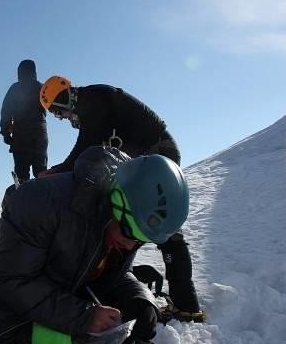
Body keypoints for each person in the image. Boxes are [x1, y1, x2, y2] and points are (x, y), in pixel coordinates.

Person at [0, 146, 190, 344]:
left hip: (60, 303)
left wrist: (139, 299)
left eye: (142, 240)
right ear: (117, 201)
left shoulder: (124, 217)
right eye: (132, 233)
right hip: (2, 314)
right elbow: (9, 279)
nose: (131, 245)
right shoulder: (39, 201)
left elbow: (115, 271)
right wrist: (84, 316)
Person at [38, 75, 204, 318]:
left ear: (62, 100)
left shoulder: (91, 99)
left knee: (147, 222)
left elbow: (87, 145)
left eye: (58, 112)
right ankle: (184, 302)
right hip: (152, 156)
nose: (62, 118)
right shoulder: (94, 100)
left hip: (157, 155)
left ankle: (184, 304)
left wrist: (56, 171)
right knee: (139, 222)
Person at [0, 59, 48, 182]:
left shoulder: (15, 89)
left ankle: (22, 198)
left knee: (21, 174)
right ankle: (43, 199)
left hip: (21, 134)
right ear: (34, 72)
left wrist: (5, 133)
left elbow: (6, 111)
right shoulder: (42, 88)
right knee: (41, 171)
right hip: (40, 132)